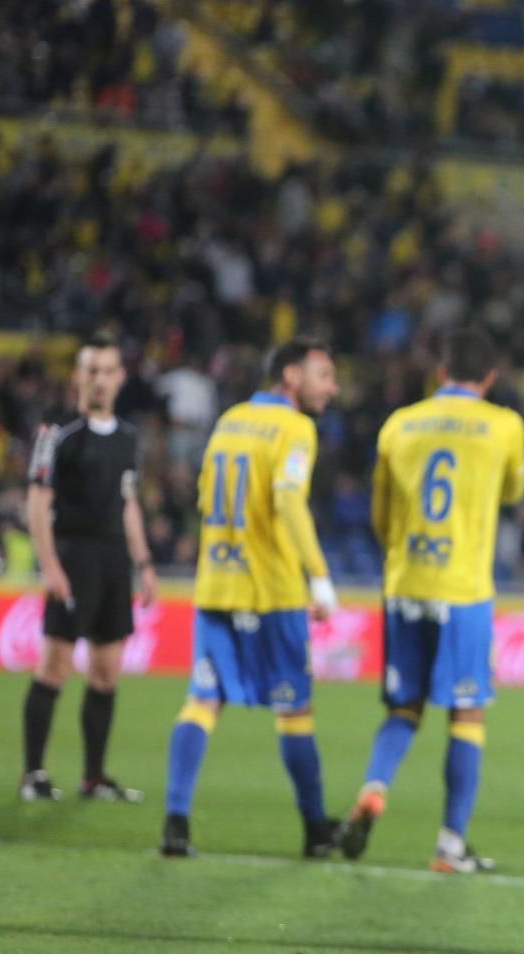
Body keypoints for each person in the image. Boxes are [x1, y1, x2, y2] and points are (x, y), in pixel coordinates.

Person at [339, 329, 524, 873]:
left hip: (405, 583)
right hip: (463, 589)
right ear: (489, 377)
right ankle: (450, 844)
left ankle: (375, 787)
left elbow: (380, 514)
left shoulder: (399, 423)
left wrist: (401, 555)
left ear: (441, 373)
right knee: (467, 713)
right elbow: (514, 492)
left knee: (404, 708)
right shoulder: (504, 425)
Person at [159, 338, 342, 859]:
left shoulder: (230, 420)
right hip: (272, 591)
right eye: (324, 376)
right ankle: (315, 829)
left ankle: (175, 822)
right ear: (291, 376)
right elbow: (287, 498)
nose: (332, 388)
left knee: (202, 701)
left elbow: (204, 496)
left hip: (217, 584)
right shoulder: (295, 428)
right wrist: (319, 575)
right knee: (295, 709)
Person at [20, 335, 157, 802]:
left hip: (114, 561)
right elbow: (38, 503)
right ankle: (33, 774)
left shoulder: (128, 437)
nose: (99, 379)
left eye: (107, 371)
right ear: (78, 376)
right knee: (55, 666)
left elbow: (128, 502)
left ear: (120, 377)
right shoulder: (57, 431)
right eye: (91, 370)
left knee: (106, 672)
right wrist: (50, 565)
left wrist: (144, 562)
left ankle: (93, 777)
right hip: (74, 556)